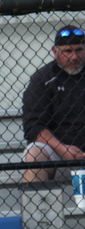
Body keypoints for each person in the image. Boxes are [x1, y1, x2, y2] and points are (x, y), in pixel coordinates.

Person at [22, 25, 85, 182]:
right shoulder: (43, 79)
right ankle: (37, 206)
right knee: (35, 154)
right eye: (67, 51)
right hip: (58, 153)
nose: (74, 57)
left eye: (79, 50)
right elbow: (33, 126)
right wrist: (63, 149)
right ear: (55, 52)